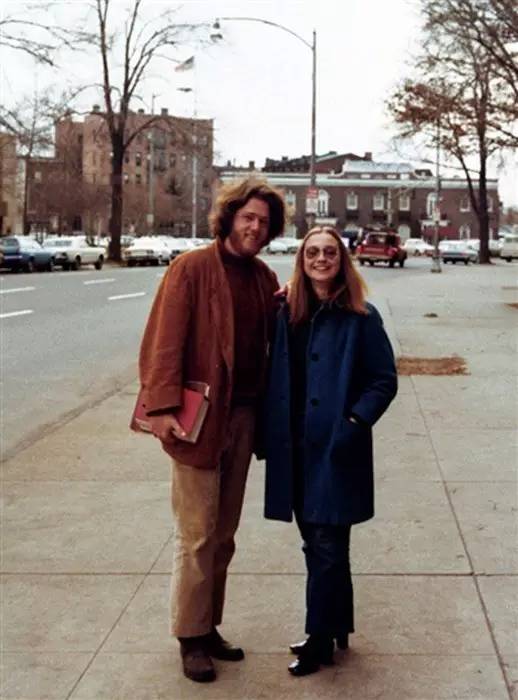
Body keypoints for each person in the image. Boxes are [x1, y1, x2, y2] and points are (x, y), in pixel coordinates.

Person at [139, 178, 284, 683]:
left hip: (244, 417)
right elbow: (164, 341)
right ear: (229, 218)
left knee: (223, 534)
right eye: (248, 217)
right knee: (197, 532)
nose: (255, 227)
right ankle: (190, 637)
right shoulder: (192, 268)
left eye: (264, 221)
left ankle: (208, 625)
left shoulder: (264, 278)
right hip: (198, 419)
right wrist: (160, 409)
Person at [264, 225, 397, 677]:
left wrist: (354, 423)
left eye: (330, 253)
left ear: (342, 261)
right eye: (312, 253)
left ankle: (320, 640)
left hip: (336, 449)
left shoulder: (362, 316)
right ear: (301, 262)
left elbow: (383, 380)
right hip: (294, 447)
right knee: (319, 544)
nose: (321, 259)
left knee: (326, 545)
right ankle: (337, 626)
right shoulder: (287, 313)